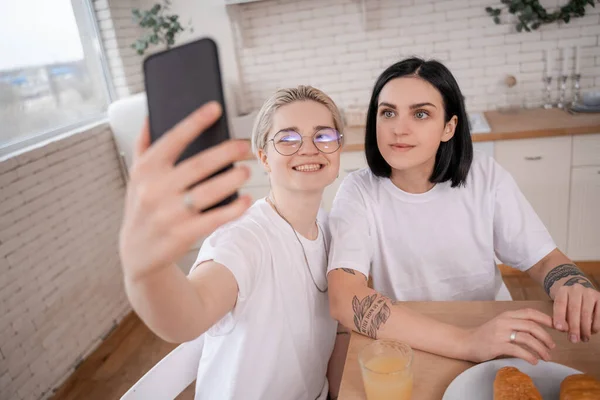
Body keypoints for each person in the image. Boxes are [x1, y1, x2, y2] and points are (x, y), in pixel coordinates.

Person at [327, 58, 600, 366]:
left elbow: (545, 259)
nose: (398, 129)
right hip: (414, 338)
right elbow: (343, 298)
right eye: (388, 112)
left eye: (420, 114)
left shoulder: (482, 174)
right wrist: (468, 343)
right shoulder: (358, 191)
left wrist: (574, 284)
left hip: (496, 332)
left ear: (449, 127)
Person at [119, 86, 349, 399]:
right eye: (287, 138)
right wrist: (146, 271)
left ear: (338, 149)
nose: (308, 148)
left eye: (323, 136)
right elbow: (190, 315)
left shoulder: (328, 227)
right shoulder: (244, 238)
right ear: (264, 158)